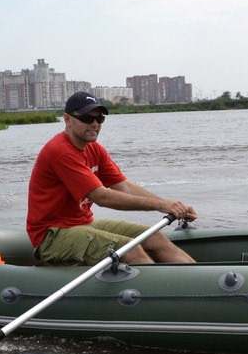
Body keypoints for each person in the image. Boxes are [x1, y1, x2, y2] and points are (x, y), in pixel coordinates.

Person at [27, 90, 197, 266]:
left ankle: (198, 281)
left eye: (99, 118)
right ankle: (161, 291)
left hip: (83, 224)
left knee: (155, 238)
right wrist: (161, 205)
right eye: (87, 118)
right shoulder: (60, 151)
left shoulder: (94, 149)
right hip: (52, 235)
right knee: (130, 250)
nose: (94, 124)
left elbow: (124, 187)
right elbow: (102, 197)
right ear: (67, 119)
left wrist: (171, 206)